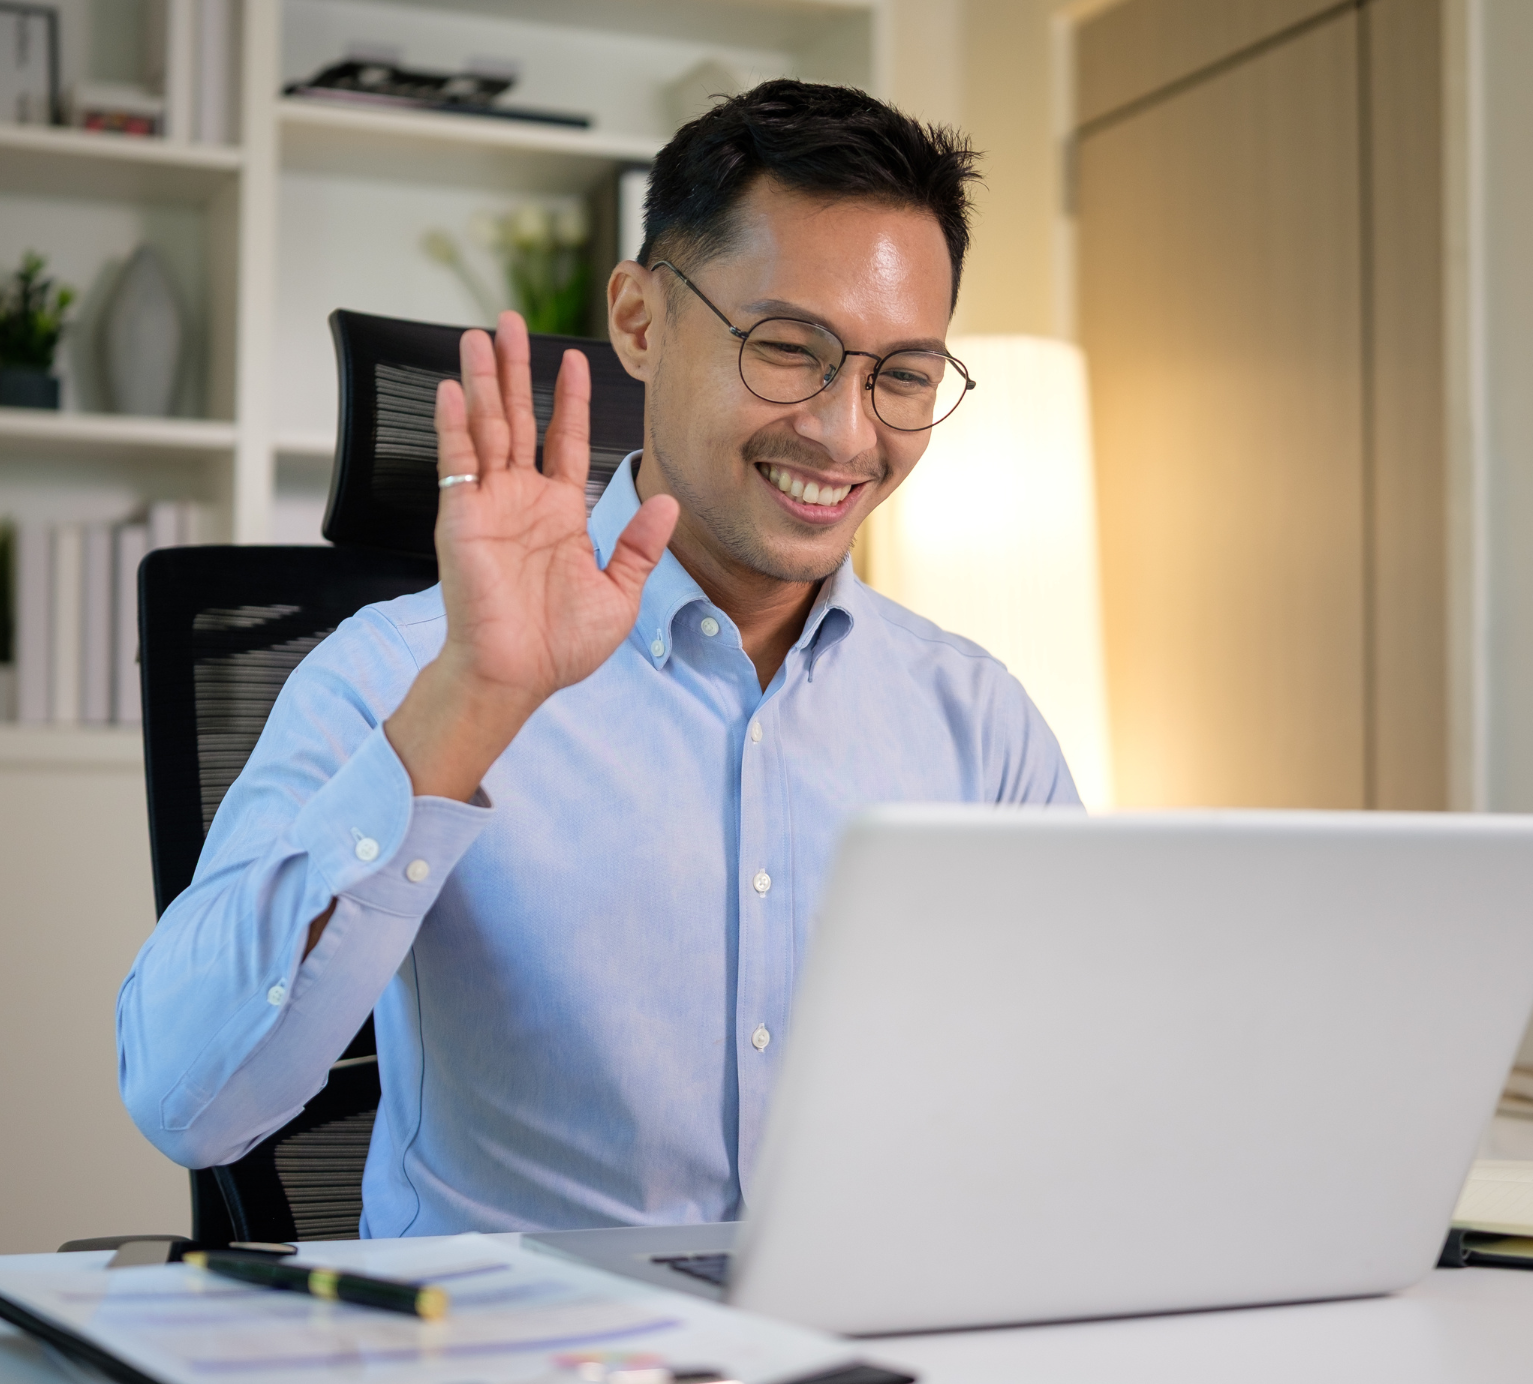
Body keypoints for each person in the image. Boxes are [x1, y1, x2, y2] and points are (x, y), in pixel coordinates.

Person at [117, 80, 1079, 1236]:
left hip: (865, 1376)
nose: (845, 432)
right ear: (638, 320)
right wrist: (467, 711)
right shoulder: (405, 670)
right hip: (515, 1383)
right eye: (787, 348)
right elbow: (186, 1102)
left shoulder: (978, 724)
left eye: (904, 376)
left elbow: (1081, 1107)